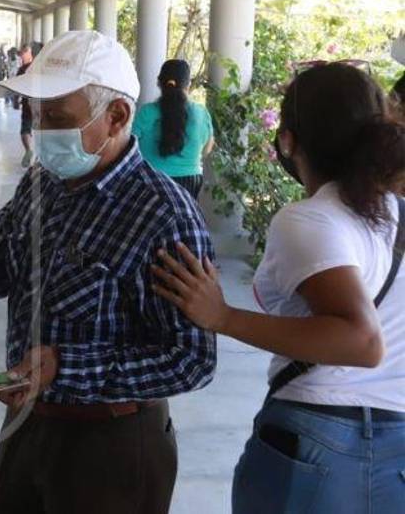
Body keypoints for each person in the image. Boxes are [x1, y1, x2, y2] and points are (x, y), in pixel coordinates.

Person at [0, 30, 216, 514]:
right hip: (28, 424)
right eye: (37, 113)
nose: (41, 129)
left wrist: (66, 366)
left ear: (116, 116)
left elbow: (190, 358)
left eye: (57, 117)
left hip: (111, 446)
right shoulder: (43, 181)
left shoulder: (164, 217)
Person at [152, 62, 405, 514]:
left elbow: (361, 341)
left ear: (287, 139)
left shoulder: (309, 219)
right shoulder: (395, 214)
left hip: (318, 441)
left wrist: (223, 318)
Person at [131, 60, 214, 199]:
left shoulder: (147, 112)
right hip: (190, 182)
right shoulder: (201, 113)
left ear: (159, 83)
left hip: (151, 182)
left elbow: (127, 145)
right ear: (188, 84)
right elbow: (207, 150)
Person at [16, 45, 35, 166]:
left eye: (23, 53)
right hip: (30, 104)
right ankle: (29, 151)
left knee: (26, 129)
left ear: (29, 52)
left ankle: (29, 150)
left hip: (33, 104)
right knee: (25, 129)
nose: (21, 56)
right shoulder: (42, 68)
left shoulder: (25, 69)